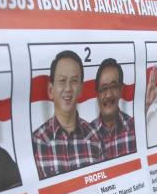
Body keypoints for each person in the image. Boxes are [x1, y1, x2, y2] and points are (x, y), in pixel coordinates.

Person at [31, 50, 103, 179]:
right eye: (62, 81)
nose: (68, 88)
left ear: (81, 89)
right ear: (50, 90)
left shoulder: (95, 137)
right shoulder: (36, 142)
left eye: (74, 81)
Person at [88, 58, 136, 160]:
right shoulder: (86, 135)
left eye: (114, 87)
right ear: (97, 94)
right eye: (104, 88)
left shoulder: (135, 129)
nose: (109, 95)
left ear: (121, 90)